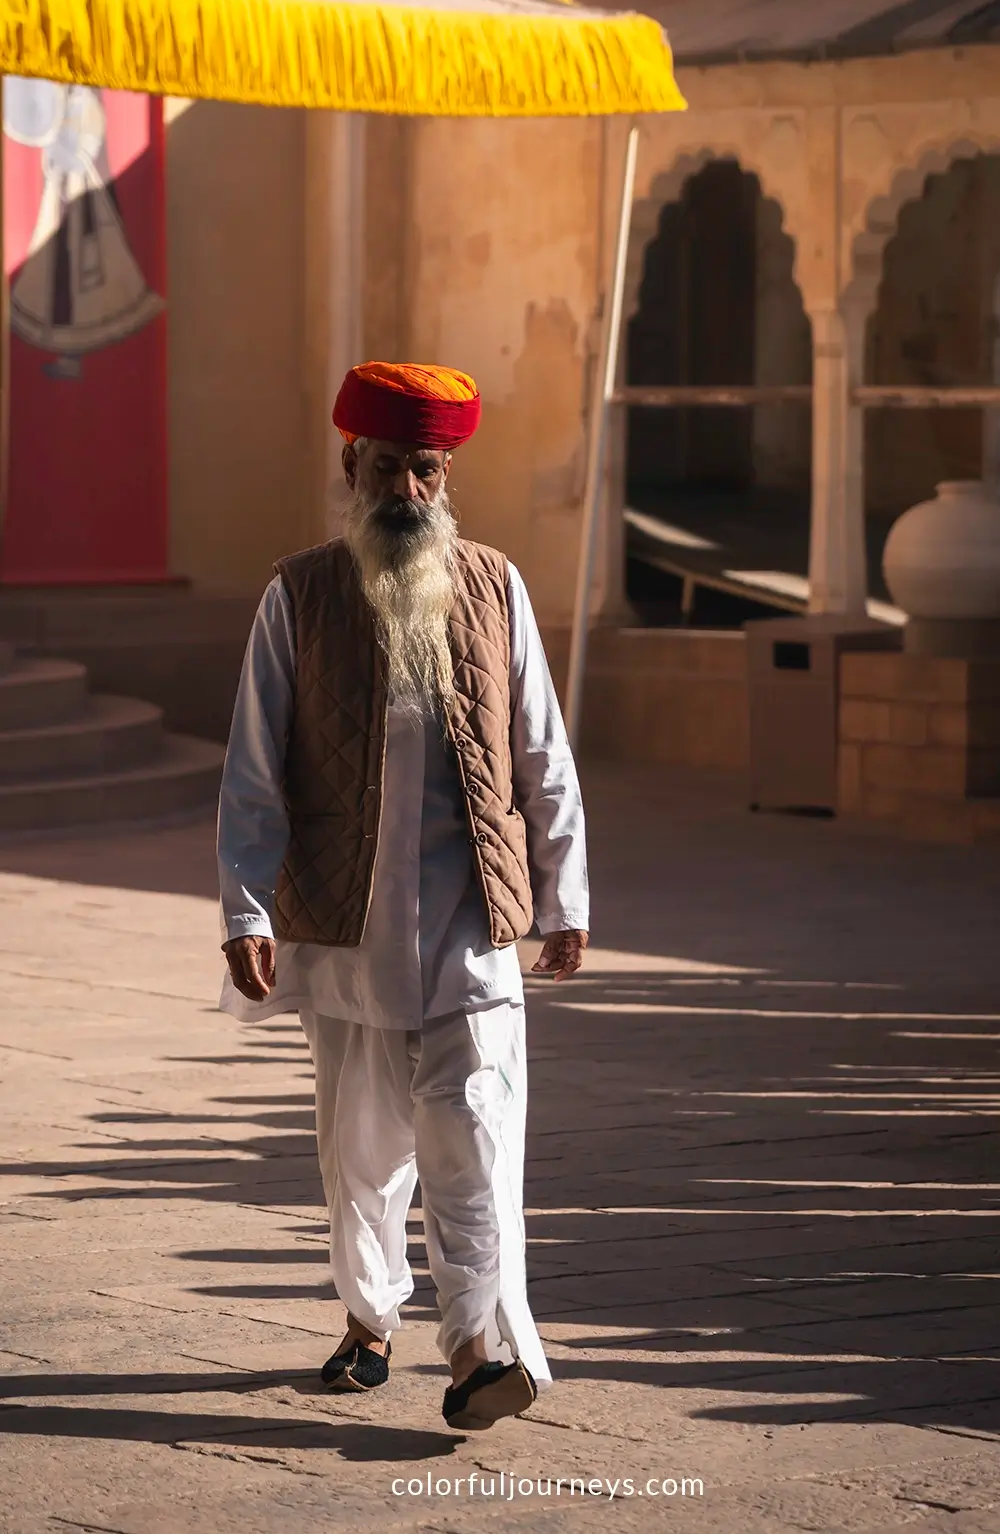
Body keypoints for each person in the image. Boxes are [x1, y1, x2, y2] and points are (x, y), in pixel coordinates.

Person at [217, 361, 588, 1432]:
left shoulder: (494, 584)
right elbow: (253, 769)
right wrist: (246, 909)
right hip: (344, 928)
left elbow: (542, 751)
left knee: (475, 1136)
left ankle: (480, 1345)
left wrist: (561, 891)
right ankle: (369, 1317)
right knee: (364, 1148)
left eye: (427, 469)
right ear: (352, 466)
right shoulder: (298, 593)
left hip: (473, 925)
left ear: (446, 472)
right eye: (390, 468)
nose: (410, 492)